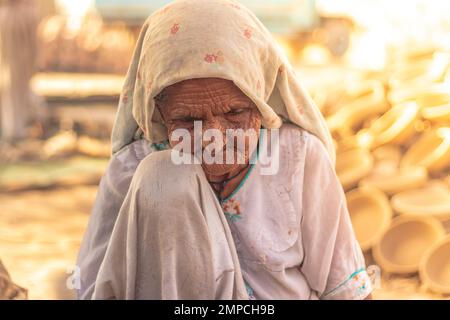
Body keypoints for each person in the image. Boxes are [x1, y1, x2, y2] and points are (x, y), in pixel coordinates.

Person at [77, 0, 372, 300]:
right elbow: (92, 289)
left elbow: (345, 288)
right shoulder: (135, 167)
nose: (213, 139)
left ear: (261, 104)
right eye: (188, 120)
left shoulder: (298, 158)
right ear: (159, 116)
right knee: (163, 174)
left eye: (234, 112)